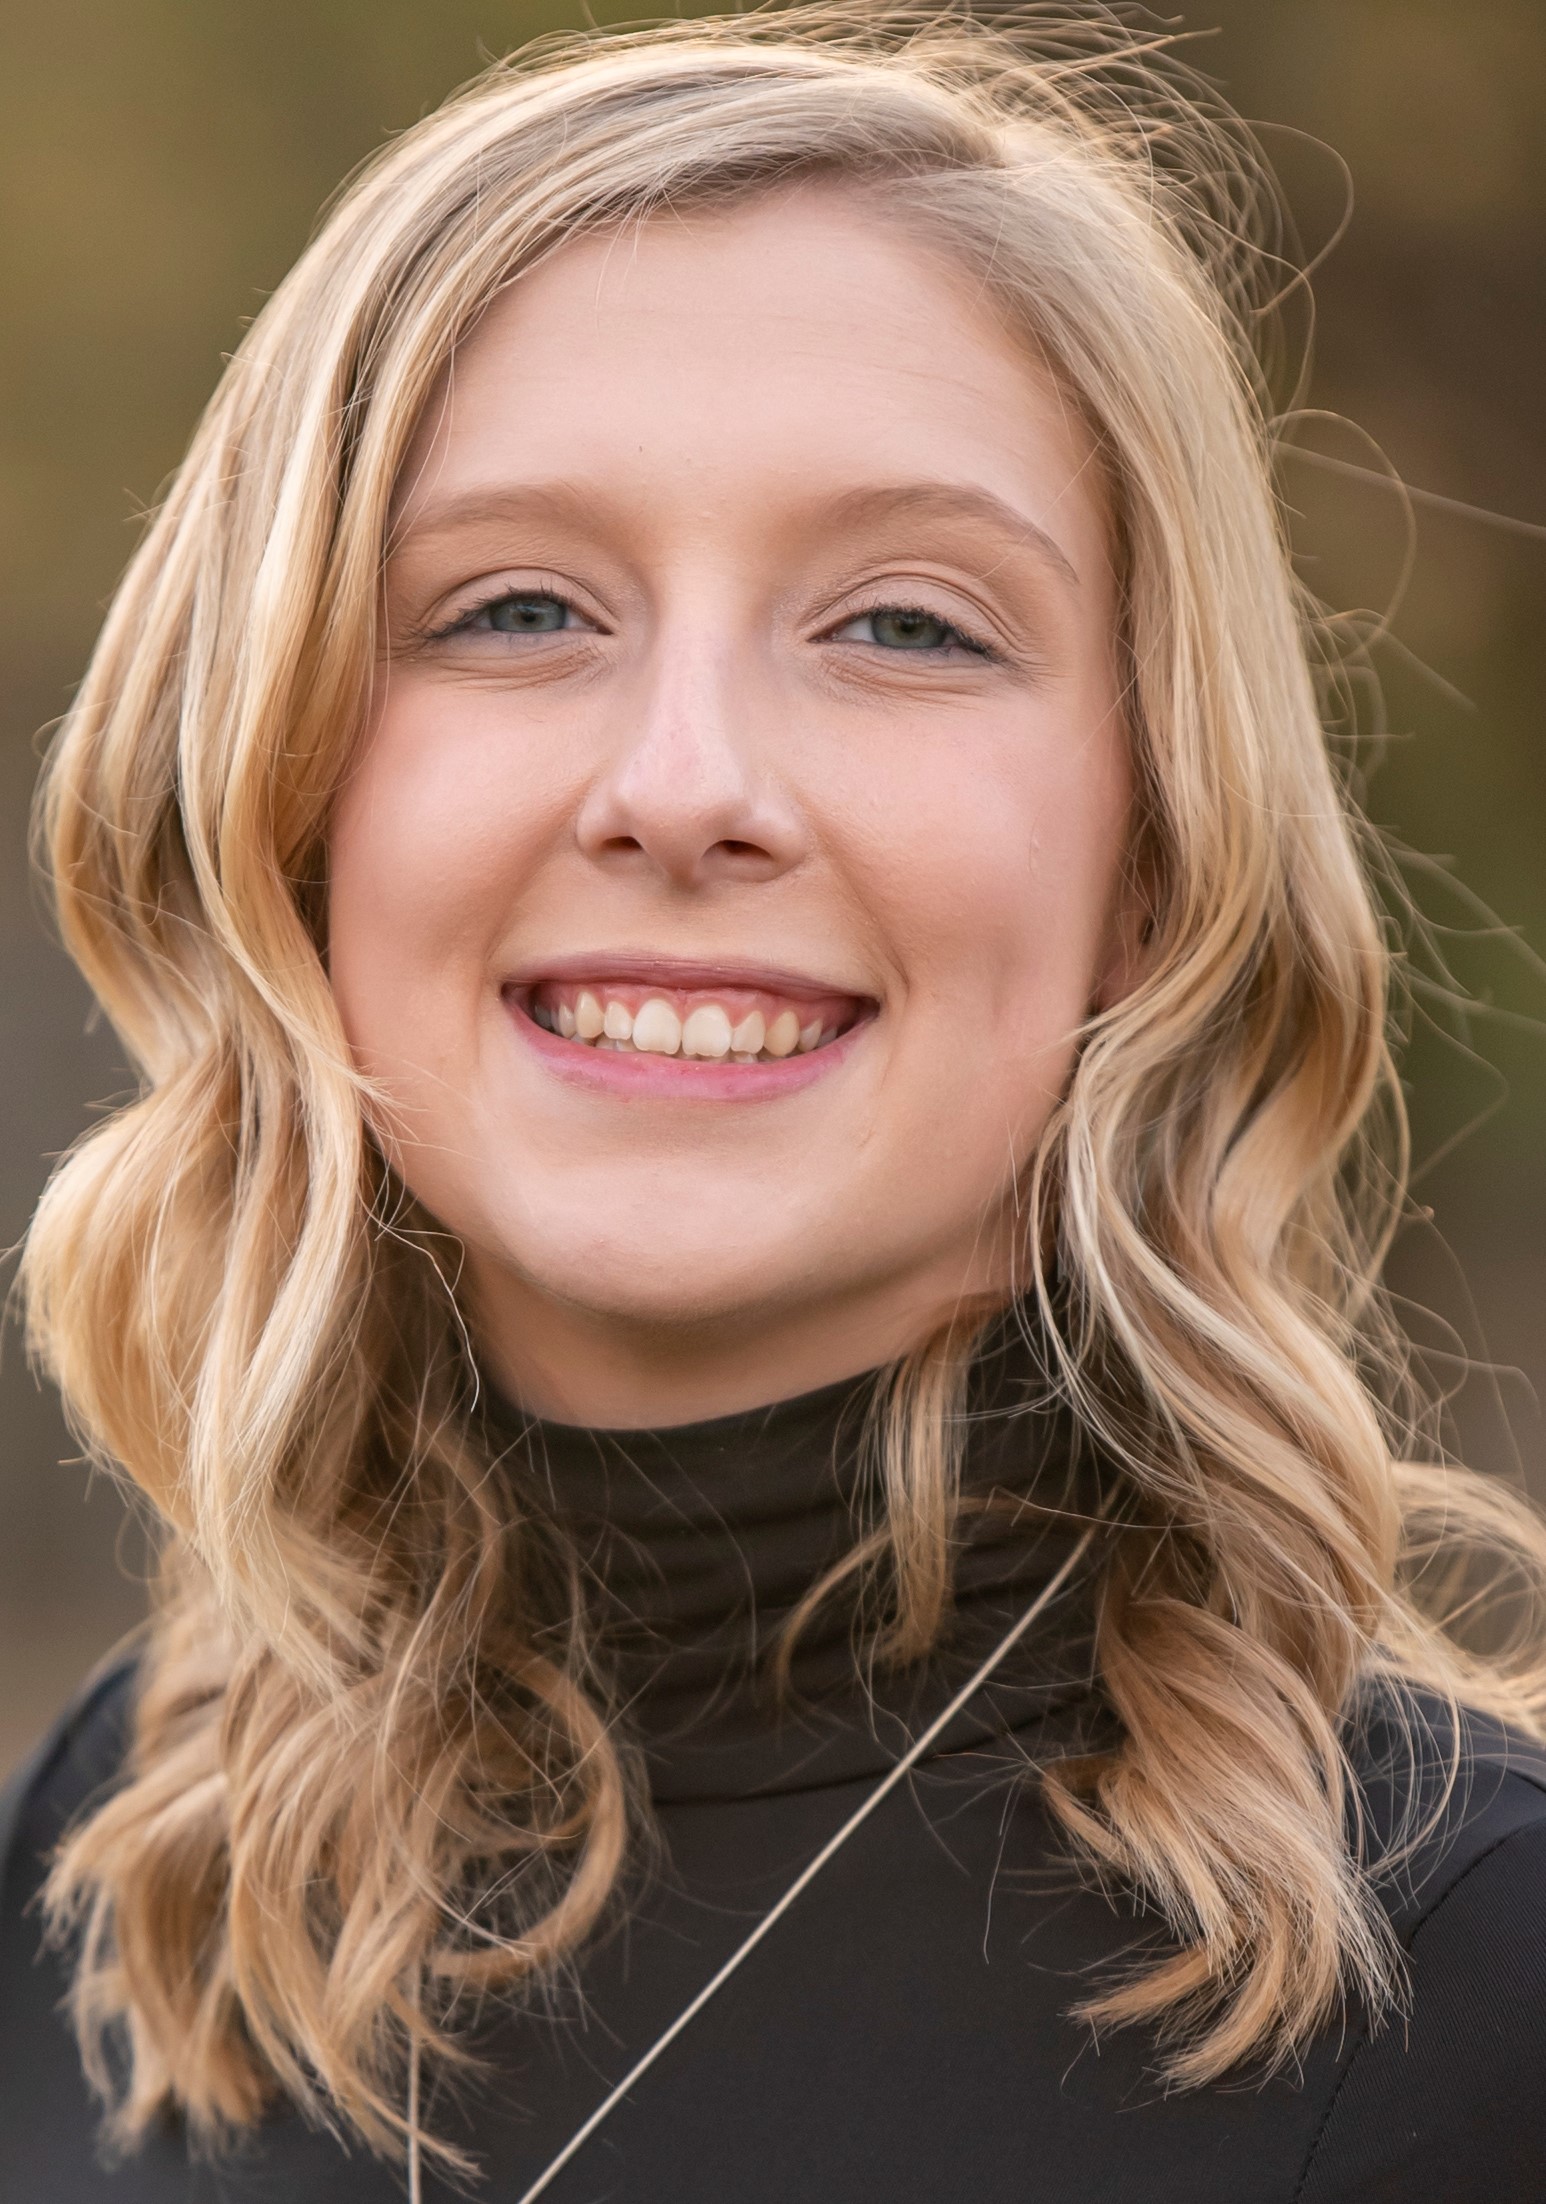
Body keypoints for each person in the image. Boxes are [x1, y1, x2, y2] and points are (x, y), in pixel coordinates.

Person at [3, 8, 1545, 2198]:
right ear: (287, 807)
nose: (685, 788)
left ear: (1148, 859)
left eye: (905, 626)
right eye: (516, 606)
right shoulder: (123, 1870)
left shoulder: (1470, 2003)